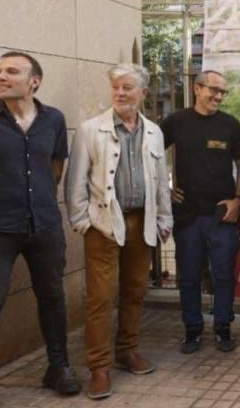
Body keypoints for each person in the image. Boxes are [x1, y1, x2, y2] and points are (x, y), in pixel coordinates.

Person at [0, 51, 81, 408]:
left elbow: (55, 170)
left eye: (11, 71)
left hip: (43, 225)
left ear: (34, 82)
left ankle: (58, 367)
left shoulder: (53, 119)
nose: (1, 77)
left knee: (53, 296)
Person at [65, 64, 172, 399]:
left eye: (128, 88)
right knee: (100, 296)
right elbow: (75, 181)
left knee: (135, 289)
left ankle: (127, 350)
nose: (121, 93)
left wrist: (164, 219)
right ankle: (99, 367)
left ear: (142, 93)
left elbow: (161, 182)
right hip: (103, 224)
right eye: (116, 88)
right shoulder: (89, 130)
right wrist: (81, 221)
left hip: (143, 222)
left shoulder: (154, 131)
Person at [161, 70, 240, 355]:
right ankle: (192, 330)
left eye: (223, 92)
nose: (218, 96)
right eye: (213, 90)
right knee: (188, 276)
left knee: (223, 274)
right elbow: (151, 153)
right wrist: (164, 187)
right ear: (197, 89)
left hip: (222, 214)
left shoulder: (231, 125)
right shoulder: (176, 122)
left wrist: (237, 199)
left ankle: (223, 327)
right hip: (187, 215)